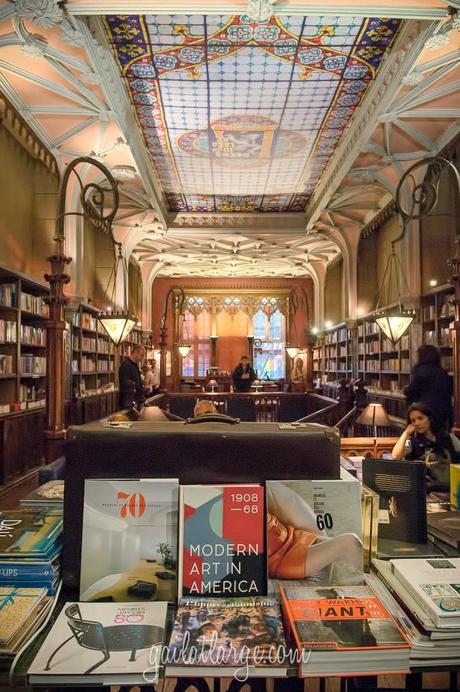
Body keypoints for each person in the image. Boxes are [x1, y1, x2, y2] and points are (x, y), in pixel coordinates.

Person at [266, 481, 363, 580]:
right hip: (283, 554)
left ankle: (373, 576)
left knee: (353, 548)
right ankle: (374, 577)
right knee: (349, 546)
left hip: (289, 543)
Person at [391, 401, 460, 490]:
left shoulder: (447, 437)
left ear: (429, 418)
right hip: (427, 490)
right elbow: (395, 456)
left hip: (450, 487)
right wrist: (406, 432)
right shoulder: (413, 442)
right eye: (413, 421)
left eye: (420, 418)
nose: (417, 423)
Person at [404, 344, 453, 429]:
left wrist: (405, 389)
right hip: (443, 412)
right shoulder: (443, 372)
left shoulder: (421, 371)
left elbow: (411, 391)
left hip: (424, 411)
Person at [118, 344, 145, 409]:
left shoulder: (135, 365)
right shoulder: (125, 365)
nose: (142, 358)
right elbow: (124, 383)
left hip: (136, 401)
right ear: (136, 352)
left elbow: (138, 383)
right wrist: (133, 402)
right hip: (129, 402)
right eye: (141, 355)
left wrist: (141, 400)